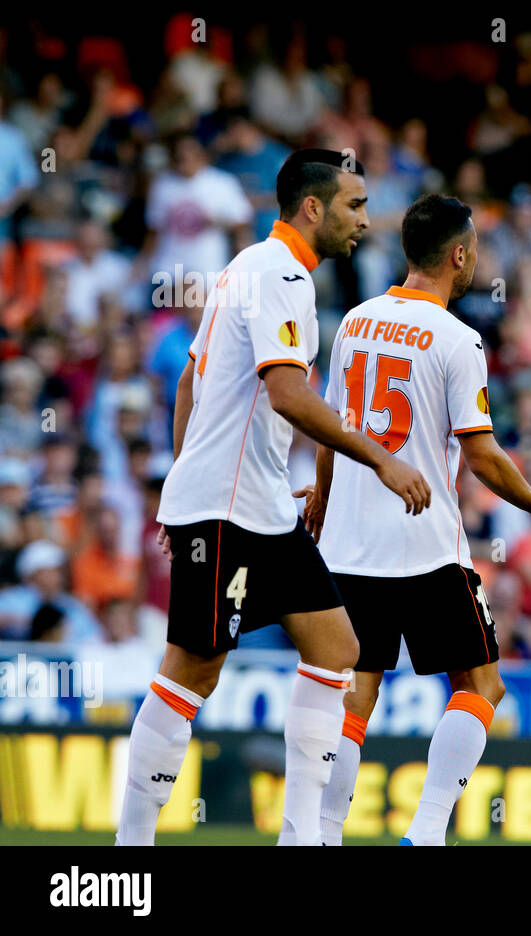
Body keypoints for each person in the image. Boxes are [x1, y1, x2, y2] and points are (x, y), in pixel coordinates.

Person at [117, 149, 432, 848]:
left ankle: (302, 837)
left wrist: (185, 476)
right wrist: (380, 459)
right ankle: (130, 850)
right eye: (354, 205)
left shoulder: (247, 269)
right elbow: (289, 396)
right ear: (312, 207)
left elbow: (190, 382)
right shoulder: (280, 274)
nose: (365, 219)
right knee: (192, 672)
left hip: (258, 506)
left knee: (337, 645)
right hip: (226, 512)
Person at [308, 194, 531, 846]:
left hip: (351, 544)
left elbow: (328, 429)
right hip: (427, 544)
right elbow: (483, 455)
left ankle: (323, 834)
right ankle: (428, 831)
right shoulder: (458, 339)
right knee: (482, 685)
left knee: (354, 694)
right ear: (459, 255)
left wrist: (323, 501)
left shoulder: (354, 321)